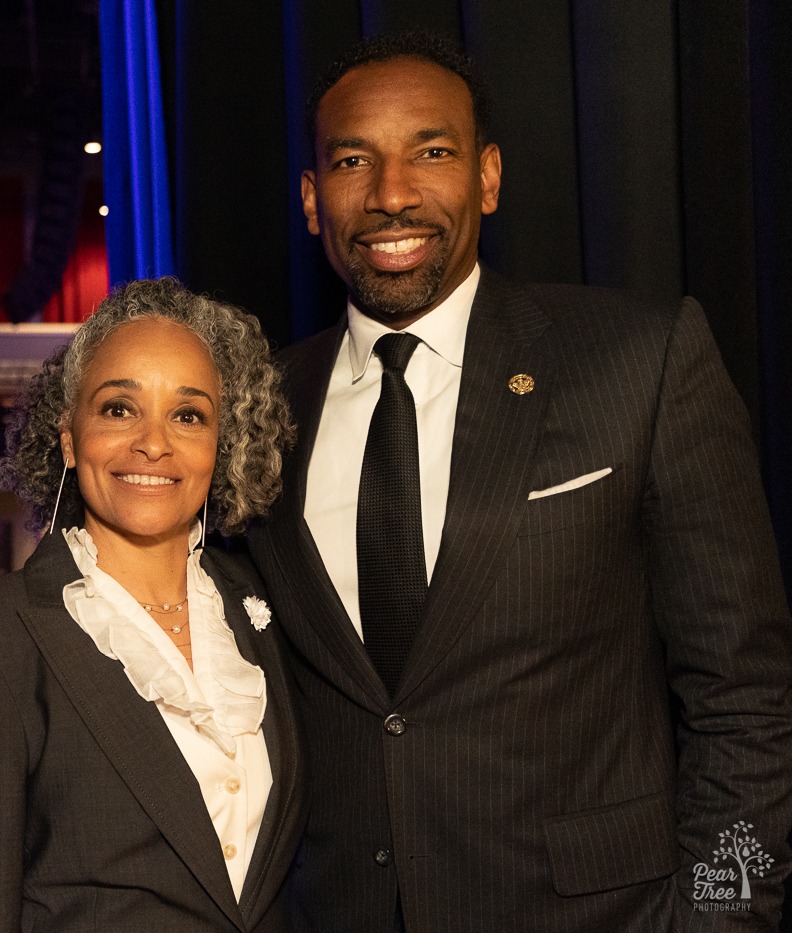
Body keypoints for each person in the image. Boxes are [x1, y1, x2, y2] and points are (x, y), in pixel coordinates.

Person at [246, 32, 792, 932]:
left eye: (432, 151)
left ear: (488, 178)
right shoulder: (259, 405)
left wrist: (722, 917)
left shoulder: (640, 359)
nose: (391, 193)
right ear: (312, 199)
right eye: (353, 160)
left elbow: (745, 693)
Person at [0, 277, 304, 932]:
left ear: (218, 445)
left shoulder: (258, 610)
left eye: (188, 414)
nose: (154, 441)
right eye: (119, 408)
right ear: (68, 438)